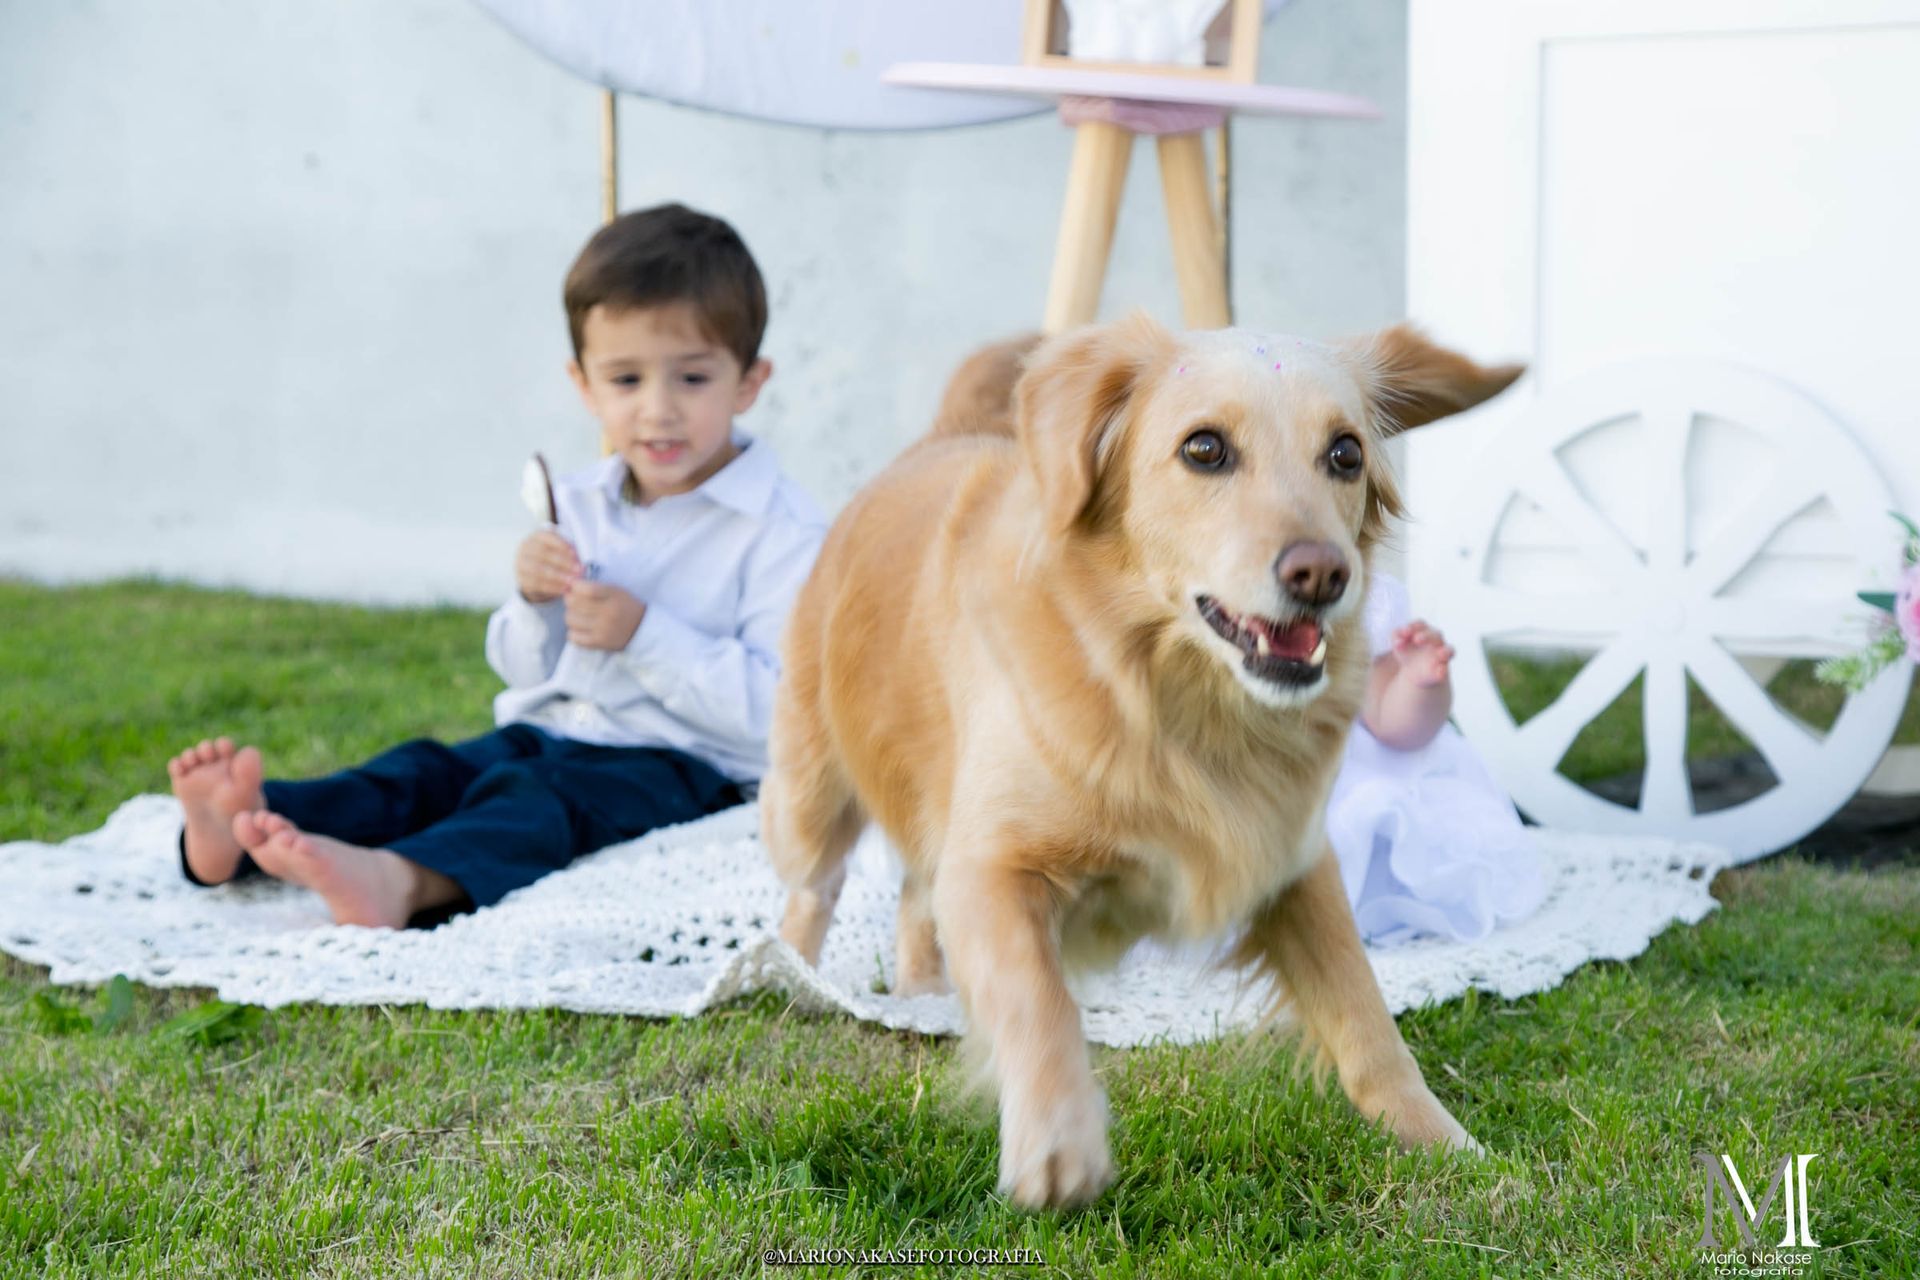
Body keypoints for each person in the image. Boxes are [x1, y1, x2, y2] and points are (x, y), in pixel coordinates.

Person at [164, 203, 825, 928]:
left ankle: (401, 882)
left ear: (749, 383)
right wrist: (532, 601)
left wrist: (644, 635)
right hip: (550, 728)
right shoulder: (578, 501)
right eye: (627, 380)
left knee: (534, 806)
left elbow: (781, 717)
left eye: (692, 379)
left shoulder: (781, 535)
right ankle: (247, 827)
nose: (658, 410)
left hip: (677, 765)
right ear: (584, 385)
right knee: (428, 771)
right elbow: (522, 671)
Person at [1326, 572, 1547, 945]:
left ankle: (1364, 902)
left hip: (1343, 789)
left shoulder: (1360, 597)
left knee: (1379, 809)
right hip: (1254, 784)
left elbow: (1393, 726)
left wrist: (1417, 682)